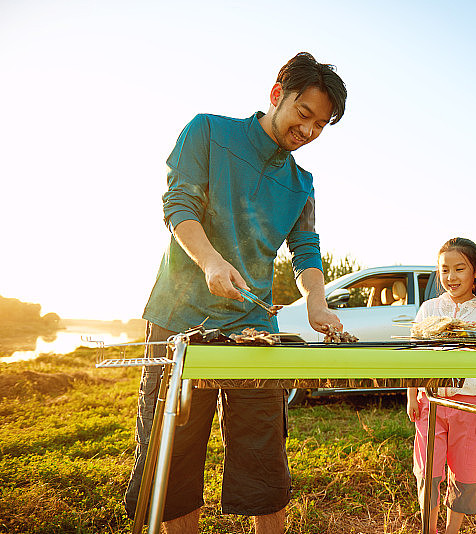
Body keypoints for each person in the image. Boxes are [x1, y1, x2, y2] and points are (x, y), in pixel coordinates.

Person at [124, 52, 347, 533]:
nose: (308, 131)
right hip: (180, 316)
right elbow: (178, 202)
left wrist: (316, 299)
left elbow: (306, 248)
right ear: (276, 95)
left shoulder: (302, 184)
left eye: (321, 125)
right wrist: (210, 261)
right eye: (303, 114)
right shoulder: (207, 132)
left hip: (253, 332)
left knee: (263, 453)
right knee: (173, 451)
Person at [407, 237, 476, 534]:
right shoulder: (429, 309)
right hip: (431, 402)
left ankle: (451, 530)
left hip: (471, 405)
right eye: (444, 270)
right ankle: (429, 528)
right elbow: (415, 357)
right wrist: (412, 396)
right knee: (429, 471)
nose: (451, 277)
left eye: (459, 269)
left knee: (466, 470)